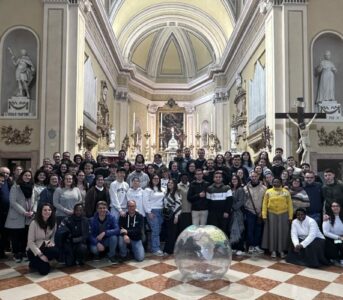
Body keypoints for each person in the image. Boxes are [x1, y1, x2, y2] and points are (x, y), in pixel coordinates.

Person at [5, 170, 36, 262]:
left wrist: (33, 211)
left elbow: (36, 200)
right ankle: (16, 253)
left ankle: (23, 252)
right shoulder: (16, 187)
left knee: (25, 236)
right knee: (16, 237)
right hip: (17, 215)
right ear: (22, 176)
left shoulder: (32, 187)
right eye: (25, 175)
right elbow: (13, 202)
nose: (28, 177)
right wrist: (24, 212)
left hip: (29, 216)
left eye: (29, 175)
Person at [262, 178, 293, 258]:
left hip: (284, 214)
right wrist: (264, 215)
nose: (276, 183)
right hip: (271, 214)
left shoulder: (286, 192)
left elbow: (290, 205)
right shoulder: (268, 191)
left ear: (281, 182)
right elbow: (264, 204)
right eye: (274, 181)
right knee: (272, 232)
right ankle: (273, 251)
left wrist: (290, 217)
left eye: (278, 181)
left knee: (282, 232)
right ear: (272, 183)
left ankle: (281, 250)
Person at [26, 203, 59, 275]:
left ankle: (40, 261)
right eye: (45, 210)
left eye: (49, 210)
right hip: (33, 250)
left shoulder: (53, 222)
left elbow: (53, 236)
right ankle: (34, 262)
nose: (47, 212)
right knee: (44, 271)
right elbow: (30, 242)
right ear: (40, 211)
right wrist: (41, 255)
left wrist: (51, 242)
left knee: (55, 251)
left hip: (45, 247)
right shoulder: (34, 223)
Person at [244, 171, 267, 254]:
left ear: (258, 177)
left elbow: (265, 200)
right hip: (249, 211)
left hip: (260, 212)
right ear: (250, 177)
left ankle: (256, 245)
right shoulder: (246, 188)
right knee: (250, 229)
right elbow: (244, 200)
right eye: (252, 176)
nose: (254, 178)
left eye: (255, 176)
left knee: (258, 229)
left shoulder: (264, 188)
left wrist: (262, 211)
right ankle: (250, 246)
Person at [144, 175, 165, 256]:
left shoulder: (162, 189)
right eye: (154, 178)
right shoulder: (147, 189)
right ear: (151, 180)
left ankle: (154, 246)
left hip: (161, 211)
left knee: (158, 230)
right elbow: (145, 201)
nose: (156, 180)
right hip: (152, 211)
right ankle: (155, 249)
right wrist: (148, 212)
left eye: (157, 178)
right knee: (155, 230)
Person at [163, 180, 182, 255]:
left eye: (172, 183)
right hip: (167, 215)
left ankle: (168, 250)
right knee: (168, 233)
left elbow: (179, 206)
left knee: (172, 234)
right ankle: (168, 249)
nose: (170, 184)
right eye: (169, 183)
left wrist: (176, 216)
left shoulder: (176, 193)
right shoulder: (167, 193)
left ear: (174, 184)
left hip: (173, 215)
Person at [230, 175, 246, 255]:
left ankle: (240, 248)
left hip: (238, 212)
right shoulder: (230, 189)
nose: (234, 180)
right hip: (231, 213)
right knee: (233, 229)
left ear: (238, 180)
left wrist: (233, 207)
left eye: (235, 179)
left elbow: (241, 201)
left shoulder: (240, 189)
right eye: (232, 179)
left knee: (240, 229)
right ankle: (234, 247)